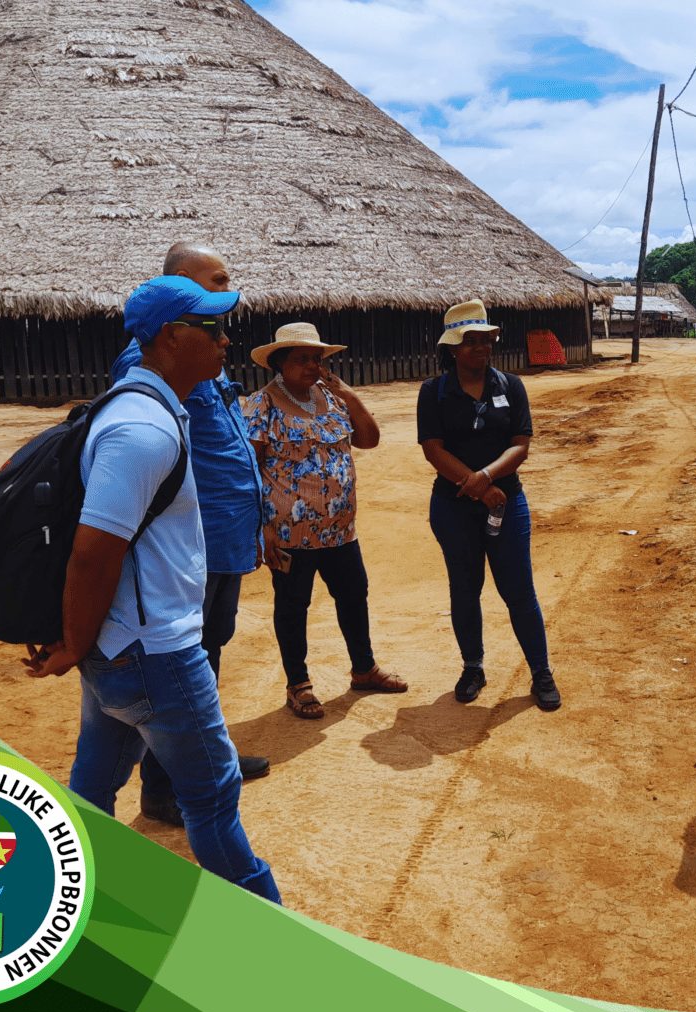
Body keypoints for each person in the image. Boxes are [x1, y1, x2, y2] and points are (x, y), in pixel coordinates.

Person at [26, 274, 282, 904]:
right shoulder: (143, 429)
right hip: (152, 652)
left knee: (93, 785)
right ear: (172, 337)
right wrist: (71, 645)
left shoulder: (152, 407)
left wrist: (84, 644)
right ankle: (276, 934)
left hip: (120, 646)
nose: (227, 341)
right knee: (215, 798)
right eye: (213, 328)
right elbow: (93, 555)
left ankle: (72, 908)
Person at [111, 242, 268, 828]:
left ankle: (206, 759)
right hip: (188, 541)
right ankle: (164, 790)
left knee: (209, 652)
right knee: (179, 661)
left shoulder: (206, 350)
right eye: (215, 280)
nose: (229, 288)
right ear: (178, 287)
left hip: (225, 534)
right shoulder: (146, 362)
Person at [243, 322, 405, 718]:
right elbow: (249, 466)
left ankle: (363, 669)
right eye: (302, 359)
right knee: (294, 605)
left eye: (316, 359)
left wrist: (349, 394)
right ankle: (298, 684)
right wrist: (259, 528)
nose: (312, 366)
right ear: (279, 363)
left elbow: (369, 439)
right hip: (289, 533)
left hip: (340, 530)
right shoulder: (262, 404)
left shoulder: (332, 400)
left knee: (354, 595)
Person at [416, 299, 560, 711]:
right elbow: (433, 449)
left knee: (519, 590)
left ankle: (541, 671)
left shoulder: (511, 386)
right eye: (470, 341)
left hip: (505, 502)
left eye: (486, 340)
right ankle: (473, 667)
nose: (481, 348)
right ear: (452, 348)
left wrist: (486, 479)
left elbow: (521, 445)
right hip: (453, 507)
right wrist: (473, 485)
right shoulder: (434, 392)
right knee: (465, 589)